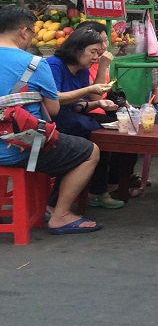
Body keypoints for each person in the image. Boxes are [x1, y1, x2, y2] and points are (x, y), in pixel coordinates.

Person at [0, 6, 103, 234]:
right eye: (33, 32)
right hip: (18, 149)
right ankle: (61, 215)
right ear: (24, 31)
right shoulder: (35, 64)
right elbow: (53, 109)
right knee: (89, 152)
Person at [45, 28, 123, 210]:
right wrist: (89, 90)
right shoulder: (54, 65)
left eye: (98, 53)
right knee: (88, 133)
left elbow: (77, 105)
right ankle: (55, 203)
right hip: (51, 118)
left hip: (71, 115)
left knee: (112, 128)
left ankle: (100, 189)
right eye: (93, 52)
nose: (96, 57)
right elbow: (54, 99)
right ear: (77, 49)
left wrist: (98, 104)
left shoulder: (82, 70)